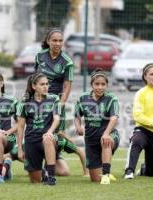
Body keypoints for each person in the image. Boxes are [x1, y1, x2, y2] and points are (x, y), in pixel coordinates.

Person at [35, 28, 80, 176]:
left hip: (54, 103)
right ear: (48, 41)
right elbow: (34, 80)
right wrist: (29, 98)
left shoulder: (67, 62)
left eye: (60, 41)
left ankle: (51, 163)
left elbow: (67, 86)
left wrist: (60, 104)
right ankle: (19, 157)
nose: (57, 43)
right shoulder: (40, 56)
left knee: (55, 132)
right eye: (54, 40)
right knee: (35, 129)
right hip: (38, 101)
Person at [74, 69, 120, 184]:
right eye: (97, 84)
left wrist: (106, 133)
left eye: (103, 84)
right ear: (91, 85)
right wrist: (78, 126)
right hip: (90, 139)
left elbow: (114, 118)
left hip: (109, 135)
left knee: (106, 140)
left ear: (107, 85)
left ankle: (106, 174)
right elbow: (77, 115)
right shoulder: (82, 98)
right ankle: (105, 174)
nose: (100, 87)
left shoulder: (111, 98)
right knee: (95, 179)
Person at [17, 73, 60, 185]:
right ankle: (44, 173)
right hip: (31, 140)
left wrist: (49, 132)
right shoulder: (25, 102)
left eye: (47, 84)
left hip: (47, 138)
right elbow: (20, 126)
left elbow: (56, 119)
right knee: (35, 181)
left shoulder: (54, 99)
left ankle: (51, 177)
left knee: (48, 139)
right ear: (34, 86)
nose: (46, 86)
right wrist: (20, 149)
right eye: (42, 84)